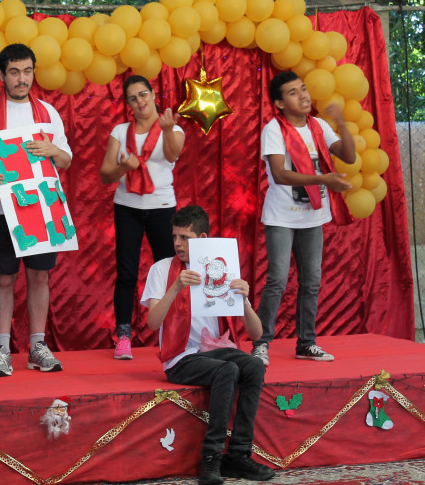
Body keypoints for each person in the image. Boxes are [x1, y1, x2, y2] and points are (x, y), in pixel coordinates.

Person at [0, 43, 72, 378]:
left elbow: (66, 160)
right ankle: (2, 349)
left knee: (40, 275)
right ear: (1, 75)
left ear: (34, 72)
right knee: (4, 278)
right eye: (14, 72)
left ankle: (37, 346)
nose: (21, 79)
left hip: (41, 207)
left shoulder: (48, 113)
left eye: (27, 71)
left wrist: (53, 149)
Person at [141, 205, 275, 485]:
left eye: (185, 238)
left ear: (202, 238)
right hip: (181, 357)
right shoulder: (162, 269)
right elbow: (153, 323)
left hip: (217, 350)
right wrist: (175, 287)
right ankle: (211, 458)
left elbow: (256, 332)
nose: (177, 243)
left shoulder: (221, 267)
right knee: (226, 370)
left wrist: (245, 299)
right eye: (175, 236)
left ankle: (238, 455)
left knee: (252, 366)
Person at [251, 71, 355, 366]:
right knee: (277, 281)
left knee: (312, 282)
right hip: (282, 218)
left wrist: (342, 123)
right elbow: (281, 174)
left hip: (313, 217)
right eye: (294, 92)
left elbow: (347, 156)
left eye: (304, 89)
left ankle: (306, 343)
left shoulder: (319, 126)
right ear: (280, 103)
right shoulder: (273, 129)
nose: (304, 95)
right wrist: (324, 178)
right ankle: (261, 344)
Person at [100, 74, 185, 361]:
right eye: (133, 98)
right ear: (128, 103)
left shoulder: (170, 126)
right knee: (126, 273)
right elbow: (105, 175)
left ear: (153, 95)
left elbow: (172, 155)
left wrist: (169, 129)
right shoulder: (120, 131)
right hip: (127, 208)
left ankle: (171, 333)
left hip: (162, 206)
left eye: (143, 95)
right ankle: (123, 336)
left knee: (168, 271)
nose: (140, 101)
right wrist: (124, 168)